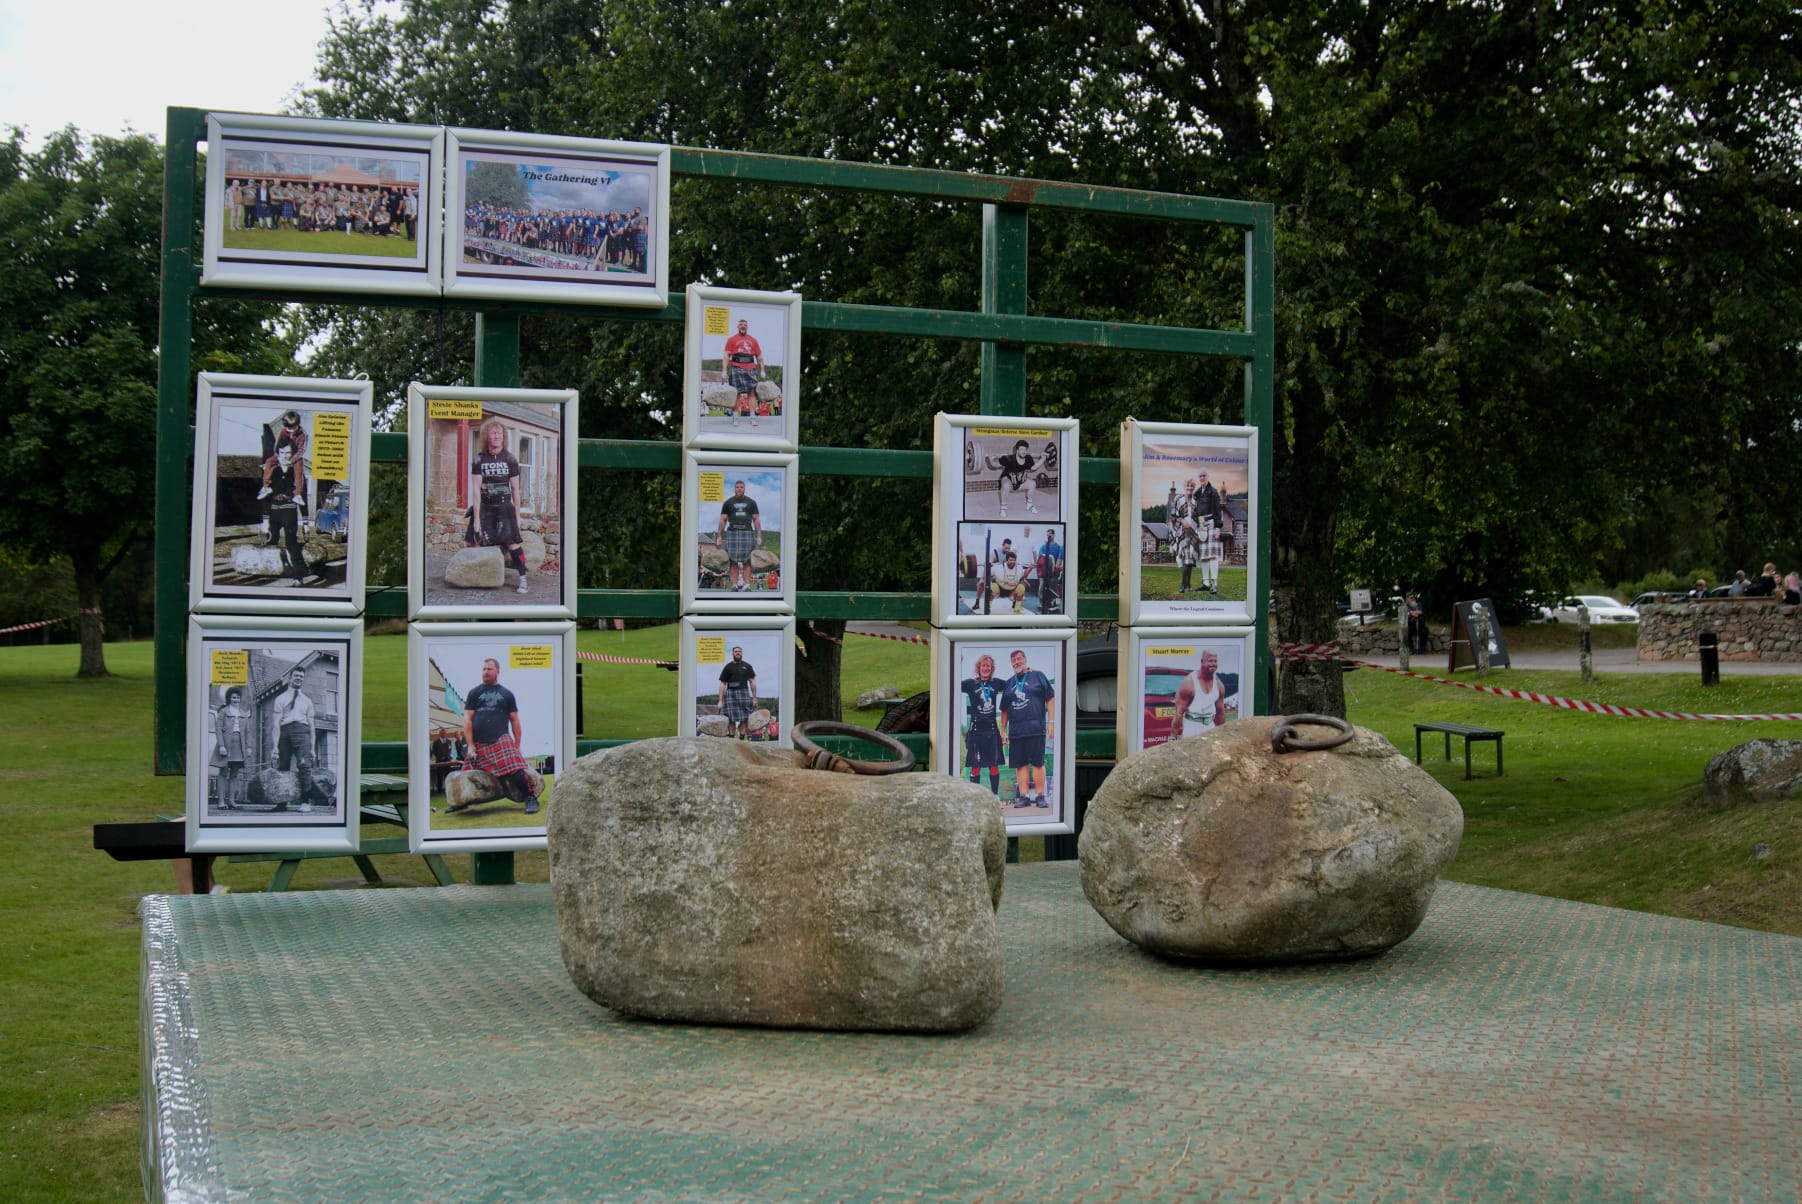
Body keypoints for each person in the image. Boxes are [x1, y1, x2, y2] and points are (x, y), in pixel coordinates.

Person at [455, 657, 540, 815]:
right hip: (479, 743)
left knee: (515, 768)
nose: (485, 672)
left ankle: (530, 798)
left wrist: (517, 745)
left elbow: (515, 720)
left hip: (500, 738)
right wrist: (471, 745)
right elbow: (467, 719)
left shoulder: (506, 694)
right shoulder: (474, 693)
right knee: (464, 775)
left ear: (497, 671)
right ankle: (461, 803)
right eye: (484, 669)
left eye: (489, 669)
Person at [469, 419, 532, 595]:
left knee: (512, 544)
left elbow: (516, 490)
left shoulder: (510, 459)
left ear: (503, 437)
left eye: (499, 433)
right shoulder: (478, 459)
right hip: (486, 507)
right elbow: (475, 490)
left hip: (505, 508)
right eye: (493, 433)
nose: (496, 436)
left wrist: (518, 516)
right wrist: (476, 519)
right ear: (486, 437)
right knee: (475, 542)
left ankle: (523, 579)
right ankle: (478, 581)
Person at [1000, 648, 1055, 809]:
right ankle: (1023, 796)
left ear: (1025, 660)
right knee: (1020, 764)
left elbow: (1050, 698)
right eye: (1013, 661)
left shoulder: (1038, 676)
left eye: (1019, 659)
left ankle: (1040, 796)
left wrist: (1051, 722)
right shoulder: (1009, 683)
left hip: (1036, 728)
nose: (1016, 662)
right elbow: (1004, 709)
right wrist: (1002, 730)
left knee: (1038, 762)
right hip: (1016, 731)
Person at [271, 666, 318, 813]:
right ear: (290, 677)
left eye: (301, 677)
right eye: (296, 675)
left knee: (304, 766)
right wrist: (275, 748)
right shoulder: (280, 699)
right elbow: (276, 725)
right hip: (285, 732)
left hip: (301, 732)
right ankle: (282, 803)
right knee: (283, 766)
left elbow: (311, 726)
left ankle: (305, 802)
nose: (299, 678)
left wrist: (312, 748)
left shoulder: (307, 701)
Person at [263, 445, 309, 581]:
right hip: (273, 512)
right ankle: (271, 573)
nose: (284, 456)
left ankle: (298, 576)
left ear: (293, 454)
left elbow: (303, 498)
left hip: (289, 511)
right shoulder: (272, 471)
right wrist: (265, 520)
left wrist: (305, 523)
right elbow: (265, 497)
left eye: (288, 453)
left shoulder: (297, 474)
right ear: (277, 454)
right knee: (271, 541)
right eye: (281, 452)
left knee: (291, 543)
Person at [960, 654, 1004, 796]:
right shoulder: (970, 684)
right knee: (976, 766)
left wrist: (1028, 672)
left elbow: (1013, 683)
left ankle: (995, 796)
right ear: (978, 668)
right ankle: (976, 798)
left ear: (992, 669)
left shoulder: (997, 683)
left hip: (991, 730)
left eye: (988, 666)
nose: (986, 668)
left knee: (994, 765)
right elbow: (953, 681)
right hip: (976, 731)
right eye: (983, 666)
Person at [715, 479, 763, 592]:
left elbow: (756, 519)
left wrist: (759, 535)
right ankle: (735, 585)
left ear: (744, 488)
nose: (739, 489)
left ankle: (746, 585)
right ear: (734, 488)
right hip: (732, 532)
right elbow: (723, 519)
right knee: (733, 561)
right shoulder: (728, 503)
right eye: (737, 487)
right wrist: (719, 536)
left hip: (747, 532)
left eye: (741, 487)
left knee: (747, 560)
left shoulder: (752, 502)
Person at [1170, 649, 1228, 740]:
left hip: (1210, 727)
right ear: (1202, 661)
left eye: (1215, 661)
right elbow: (1179, 713)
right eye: (1210, 660)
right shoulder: (1189, 683)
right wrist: (1172, 738)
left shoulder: (1219, 685)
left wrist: (1223, 735)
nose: (1213, 663)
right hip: (1191, 728)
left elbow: (1220, 712)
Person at [212, 687, 252, 810]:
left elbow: (247, 732)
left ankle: (231, 801)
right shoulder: (223, 712)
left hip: (239, 747)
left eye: (238, 697)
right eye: (234, 697)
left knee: (234, 774)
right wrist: (221, 745)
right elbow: (218, 729)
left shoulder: (244, 714)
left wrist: (249, 747)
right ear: (229, 698)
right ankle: (221, 801)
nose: (236, 700)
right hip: (226, 745)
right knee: (223, 773)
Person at [722, 318, 765, 428]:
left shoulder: (753, 340)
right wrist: (724, 370)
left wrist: (762, 369)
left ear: (747, 327)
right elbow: (726, 355)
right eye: (741, 324)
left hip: (750, 368)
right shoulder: (731, 339)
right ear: (737, 327)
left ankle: (752, 417)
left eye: (745, 325)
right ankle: (735, 417)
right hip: (736, 367)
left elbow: (759, 356)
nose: (743, 326)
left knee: (751, 393)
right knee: (737, 393)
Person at [257, 410, 309, 495]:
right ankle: (266, 486)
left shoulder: (302, 434)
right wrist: (279, 457)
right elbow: (277, 446)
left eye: (293, 428)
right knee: (269, 461)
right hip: (282, 455)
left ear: (297, 425)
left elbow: (301, 450)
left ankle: (298, 493)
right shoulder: (283, 432)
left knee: (299, 465)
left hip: (294, 457)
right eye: (289, 429)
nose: (291, 431)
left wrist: (292, 461)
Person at [1191, 469, 1225, 594]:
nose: (1202, 478)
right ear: (1198, 478)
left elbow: (1217, 511)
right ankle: (1205, 583)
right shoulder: (1198, 493)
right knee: (1204, 556)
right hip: (1201, 526)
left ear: (1208, 476)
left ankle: (1214, 583)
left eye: (1204, 475)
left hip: (1211, 524)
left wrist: (1217, 528)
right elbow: (1195, 510)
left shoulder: (1213, 492)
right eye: (1200, 476)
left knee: (1213, 555)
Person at [985, 439, 1039, 517]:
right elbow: (996, 465)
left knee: (1032, 483)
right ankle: (1003, 507)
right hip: (1009, 482)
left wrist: (1043, 458)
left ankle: (1029, 505)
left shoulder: (1028, 458)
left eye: (1025, 449)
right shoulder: (1009, 459)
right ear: (1017, 450)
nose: (1023, 451)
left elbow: (1033, 467)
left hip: (1020, 482)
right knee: (1006, 484)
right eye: (1021, 449)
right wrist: (991, 460)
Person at [716, 646, 759, 739]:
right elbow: (723, 684)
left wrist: (754, 698)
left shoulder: (747, 666)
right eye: (736, 651)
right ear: (732, 653)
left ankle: (741, 739)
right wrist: (720, 700)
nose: (738, 653)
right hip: (730, 693)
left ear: (742, 653)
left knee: (744, 718)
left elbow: (752, 682)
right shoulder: (727, 667)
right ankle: (731, 739)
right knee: (731, 719)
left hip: (743, 692)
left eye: (739, 651)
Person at [1168, 478, 1201, 593]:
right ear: (1185, 487)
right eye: (1188, 486)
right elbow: (1173, 516)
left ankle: (1188, 585)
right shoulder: (1179, 500)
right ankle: (1183, 585)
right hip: (1182, 532)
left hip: (1193, 532)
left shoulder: (1196, 501)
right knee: (1184, 557)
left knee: (1191, 559)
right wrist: (1182, 521)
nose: (1190, 488)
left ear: (1193, 488)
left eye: (1192, 486)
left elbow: (1198, 517)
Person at [988, 550, 1032, 614]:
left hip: (1012, 590)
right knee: (992, 587)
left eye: (1014, 560)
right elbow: (988, 573)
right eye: (1011, 560)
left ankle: (1017, 608)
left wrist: (1029, 569)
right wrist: (983, 579)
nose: (1012, 562)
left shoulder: (1019, 567)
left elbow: (1024, 575)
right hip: (1000, 590)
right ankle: (988, 607)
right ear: (1006, 560)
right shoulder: (998, 567)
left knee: (1021, 588)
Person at [1035, 530, 1065, 615]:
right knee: (1041, 586)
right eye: (1047, 535)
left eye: (1050, 535)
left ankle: (1053, 602)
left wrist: (1057, 568)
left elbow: (1059, 559)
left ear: (1054, 535)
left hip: (1054, 571)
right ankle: (1041, 602)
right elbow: (1040, 558)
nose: (1048, 536)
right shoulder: (1043, 547)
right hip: (1043, 571)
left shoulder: (1059, 547)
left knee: (1053, 587)